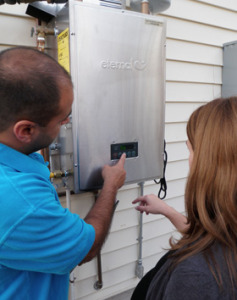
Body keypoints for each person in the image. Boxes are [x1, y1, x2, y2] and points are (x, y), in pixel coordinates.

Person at [0, 47, 126, 300]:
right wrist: (111, 185)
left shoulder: (17, 160)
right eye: (62, 119)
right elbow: (86, 249)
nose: (67, 123)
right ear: (25, 131)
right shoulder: (20, 201)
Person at [132, 97, 237, 299]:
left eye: (190, 149)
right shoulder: (227, 229)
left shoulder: (196, 277)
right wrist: (166, 210)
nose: (189, 160)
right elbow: (214, 235)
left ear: (208, 162)